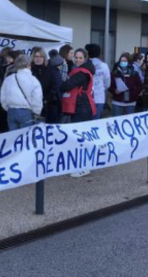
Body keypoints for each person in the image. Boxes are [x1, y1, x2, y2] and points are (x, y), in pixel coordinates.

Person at [61, 48, 96, 178]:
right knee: (80, 138)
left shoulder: (82, 73)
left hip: (82, 107)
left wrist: (61, 82)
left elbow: (66, 86)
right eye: (76, 57)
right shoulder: (81, 71)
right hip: (81, 106)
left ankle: (84, 167)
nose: (77, 59)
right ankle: (81, 165)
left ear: (85, 59)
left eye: (80, 57)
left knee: (80, 139)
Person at [0, 55, 43, 130]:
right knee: (26, 137)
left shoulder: (9, 78)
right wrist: (36, 111)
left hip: (11, 110)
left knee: (13, 137)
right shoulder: (33, 80)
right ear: (28, 65)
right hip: (26, 111)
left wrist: (6, 107)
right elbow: (37, 98)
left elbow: (3, 96)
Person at [31, 47, 61, 124]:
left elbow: (56, 85)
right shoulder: (29, 70)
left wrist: (47, 98)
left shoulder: (51, 69)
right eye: (36, 56)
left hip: (50, 105)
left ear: (44, 58)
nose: (38, 59)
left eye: (41, 56)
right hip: (34, 105)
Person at [85, 43, 111, 119]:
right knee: (95, 122)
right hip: (99, 97)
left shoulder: (84, 65)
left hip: (85, 98)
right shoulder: (104, 66)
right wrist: (101, 88)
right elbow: (107, 83)